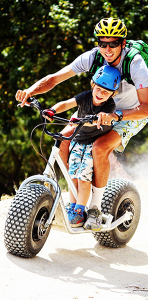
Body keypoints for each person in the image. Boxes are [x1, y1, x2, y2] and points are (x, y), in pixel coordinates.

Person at [15, 17, 148, 230]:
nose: (107, 49)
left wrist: (117, 116)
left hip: (130, 112)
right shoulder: (93, 57)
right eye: (102, 43)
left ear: (122, 43)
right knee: (63, 140)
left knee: (99, 147)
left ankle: (94, 210)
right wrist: (31, 90)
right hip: (96, 107)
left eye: (113, 43)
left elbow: (146, 108)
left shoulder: (135, 63)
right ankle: (77, 201)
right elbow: (55, 78)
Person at [43, 65, 121, 228]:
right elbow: (66, 104)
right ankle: (73, 207)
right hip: (78, 140)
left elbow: (102, 117)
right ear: (93, 85)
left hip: (92, 143)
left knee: (84, 179)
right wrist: (52, 110)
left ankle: (79, 212)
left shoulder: (109, 106)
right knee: (73, 175)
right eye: (98, 89)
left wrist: (96, 119)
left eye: (106, 92)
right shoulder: (85, 96)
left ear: (112, 94)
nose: (100, 94)